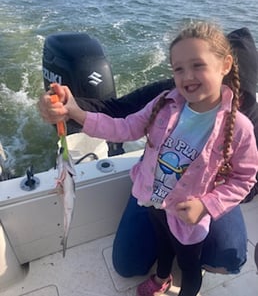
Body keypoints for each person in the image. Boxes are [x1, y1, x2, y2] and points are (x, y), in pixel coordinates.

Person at [39, 21, 257, 296]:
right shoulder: (163, 101)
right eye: (178, 68)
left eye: (198, 65)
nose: (187, 75)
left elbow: (245, 178)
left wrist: (206, 206)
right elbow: (125, 126)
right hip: (151, 199)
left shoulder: (240, 126)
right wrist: (76, 113)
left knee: (189, 264)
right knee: (163, 244)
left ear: (225, 65)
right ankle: (162, 276)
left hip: (191, 213)